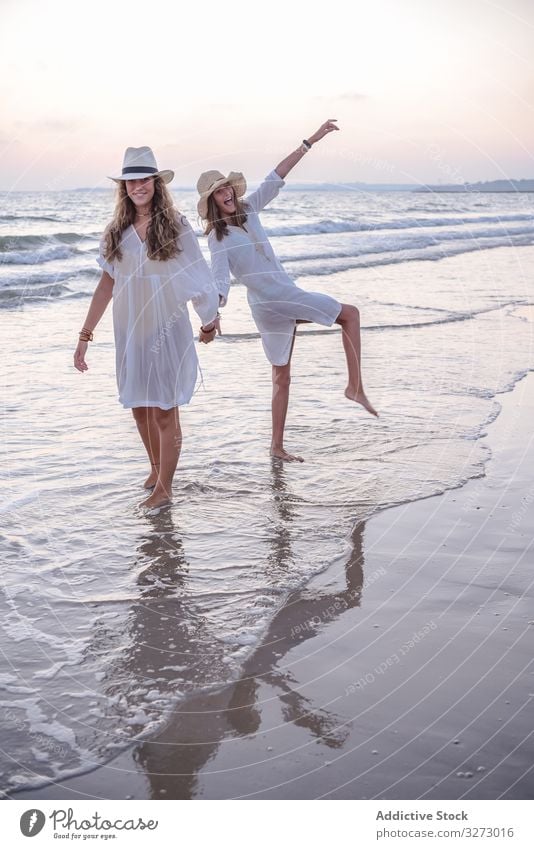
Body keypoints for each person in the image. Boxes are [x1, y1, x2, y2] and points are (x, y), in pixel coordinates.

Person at [197, 120, 377, 463]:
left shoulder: (249, 209)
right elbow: (219, 282)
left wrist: (311, 141)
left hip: (268, 303)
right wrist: (211, 316)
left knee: (281, 376)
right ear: (212, 201)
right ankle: (354, 387)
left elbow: (276, 178)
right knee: (350, 314)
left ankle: (276, 447)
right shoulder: (217, 239)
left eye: (228, 189)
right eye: (220, 193)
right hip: (275, 297)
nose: (228, 195)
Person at [74, 146, 220, 509]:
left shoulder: (176, 224)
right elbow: (106, 285)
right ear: (124, 187)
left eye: (144, 179)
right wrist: (84, 335)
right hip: (130, 331)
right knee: (139, 407)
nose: (138, 186)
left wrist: (208, 320)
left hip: (169, 330)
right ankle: (156, 468)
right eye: (131, 181)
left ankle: (165, 489)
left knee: (164, 409)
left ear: (156, 182)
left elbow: (197, 275)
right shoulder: (115, 231)